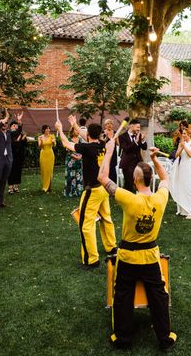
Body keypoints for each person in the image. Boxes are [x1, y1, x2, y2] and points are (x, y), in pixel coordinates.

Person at [97, 138, 177, 351]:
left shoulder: (129, 199)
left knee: (122, 295)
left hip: (128, 258)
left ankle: (123, 339)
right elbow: (166, 177)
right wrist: (154, 158)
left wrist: (109, 151)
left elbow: (102, 177)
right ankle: (164, 337)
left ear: (134, 180)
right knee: (159, 296)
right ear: (150, 180)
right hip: (151, 257)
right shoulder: (161, 198)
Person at [55, 115, 117, 268]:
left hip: (93, 190)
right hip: (104, 188)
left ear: (89, 135)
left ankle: (91, 259)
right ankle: (111, 247)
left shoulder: (87, 147)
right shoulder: (102, 144)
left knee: (86, 225)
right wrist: (74, 124)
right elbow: (86, 136)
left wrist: (60, 130)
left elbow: (66, 143)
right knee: (106, 218)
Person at [170, 128, 191, 218]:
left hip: (189, 168)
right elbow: (176, 155)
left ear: (189, 134)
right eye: (183, 134)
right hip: (181, 168)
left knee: (189, 188)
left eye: (185, 134)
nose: (183, 135)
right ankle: (181, 210)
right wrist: (181, 147)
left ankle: (190, 211)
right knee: (181, 187)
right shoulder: (181, 143)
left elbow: (190, 154)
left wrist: (184, 145)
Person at [118, 119, 147, 192]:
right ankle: (127, 199)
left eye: (139, 127)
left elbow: (144, 147)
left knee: (139, 182)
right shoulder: (122, 137)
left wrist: (143, 140)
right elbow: (126, 149)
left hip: (138, 162)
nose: (139, 129)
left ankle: (139, 198)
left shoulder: (138, 136)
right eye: (137, 127)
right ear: (131, 126)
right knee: (129, 183)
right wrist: (135, 141)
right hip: (127, 163)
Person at [8, 118, 27, 193]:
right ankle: (10, 186)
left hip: (19, 155)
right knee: (11, 170)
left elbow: (24, 144)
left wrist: (23, 139)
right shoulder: (9, 133)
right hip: (12, 154)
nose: (15, 126)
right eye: (14, 125)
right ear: (11, 127)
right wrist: (20, 139)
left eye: (16, 125)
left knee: (18, 170)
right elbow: (13, 144)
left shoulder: (20, 133)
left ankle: (16, 185)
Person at [64, 127, 84, 199]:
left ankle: (78, 191)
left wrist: (80, 156)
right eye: (76, 130)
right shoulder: (68, 140)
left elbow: (83, 149)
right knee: (70, 176)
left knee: (78, 175)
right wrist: (75, 157)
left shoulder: (80, 140)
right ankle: (69, 192)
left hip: (79, 160)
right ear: (72, 131)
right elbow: (68, 151)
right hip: (71, 161)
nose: (78, 131)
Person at [38, 124, 56, 193]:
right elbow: (39, 147)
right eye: (46, 129)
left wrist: (54, 142)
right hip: (43, 154)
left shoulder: (52, 136)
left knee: (50, 170)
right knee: (44, 170)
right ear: (43, 130)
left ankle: (49, 186)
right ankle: (44, 186)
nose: (48, 130)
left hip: (50, 154)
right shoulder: (40, 137)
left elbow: (54, 145)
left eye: (49, 128)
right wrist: (41, 141)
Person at [101, 119, 118, 183]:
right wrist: (105, 138)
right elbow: (101, 144)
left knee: (112, 169)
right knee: (105, 167)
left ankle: (113, 184)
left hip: (113, 153)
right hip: (105, 153)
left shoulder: (115, 133)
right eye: (107, 124)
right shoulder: (103, 133)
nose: (109, 125)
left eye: (111, 123)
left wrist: (116, 138)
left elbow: (118, 144)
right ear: (105, 125)